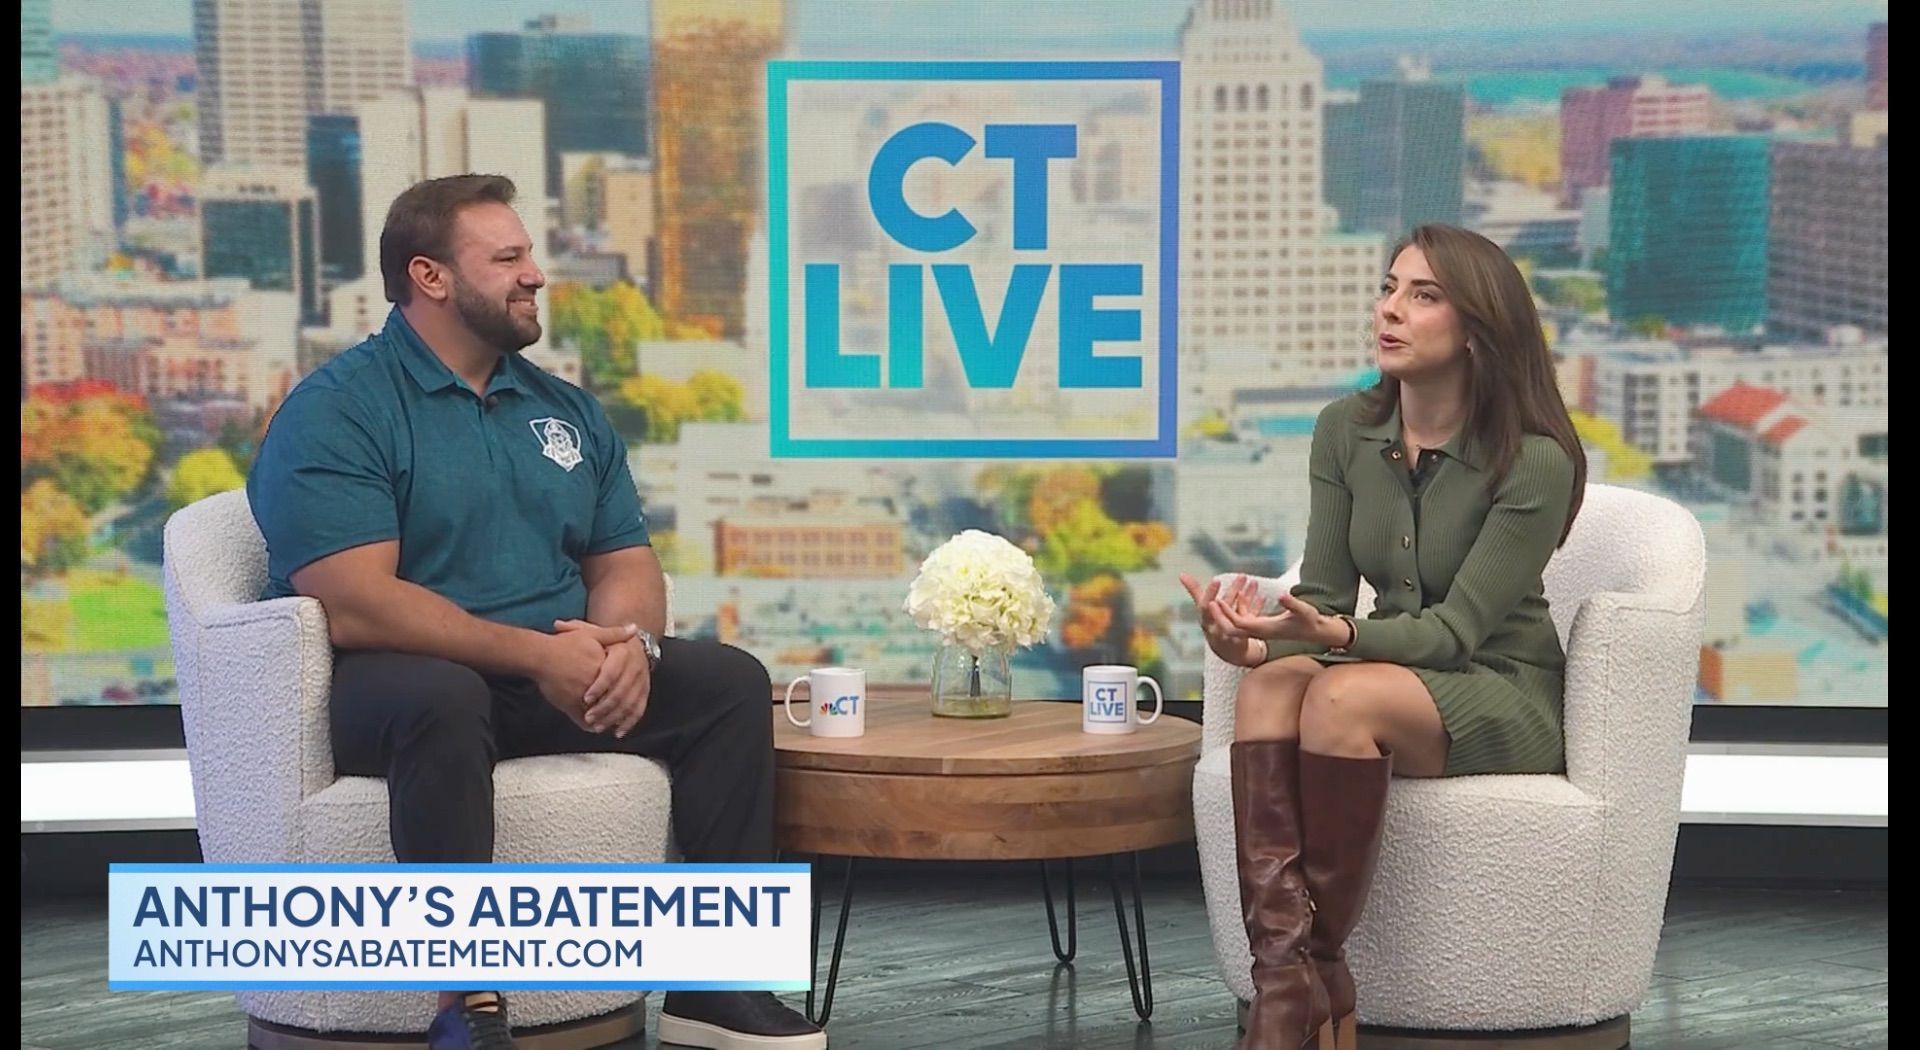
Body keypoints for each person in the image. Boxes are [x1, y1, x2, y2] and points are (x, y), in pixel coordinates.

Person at [247, 174, 826, 1050]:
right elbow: (359, 604)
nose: (536, 275)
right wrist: (534, 654)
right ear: (431, 277)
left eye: (529, 255)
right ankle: (466, 1004)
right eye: (508, 257)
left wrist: (624, 642)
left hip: (548, 676)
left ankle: (717, 984)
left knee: (727, 684)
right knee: (443, 697)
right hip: (397, 687)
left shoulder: (564, 410)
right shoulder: (338, 410)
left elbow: (625, 559)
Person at [1179, 224, 1586, 1050]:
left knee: (1338, 696)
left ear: (1477, 330)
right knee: (1272, 688)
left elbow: (1455, 632)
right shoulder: (1345, 431)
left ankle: (1313, 971)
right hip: (1386, 666)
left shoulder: (1533, 462)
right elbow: (1324, 594)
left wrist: (1336, 633)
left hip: (1498, 688)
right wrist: (1253, 646)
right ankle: (1289, 981)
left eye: (1423, 295)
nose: (1390, 310)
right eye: (1389, 286)